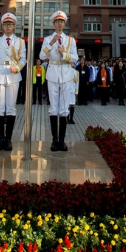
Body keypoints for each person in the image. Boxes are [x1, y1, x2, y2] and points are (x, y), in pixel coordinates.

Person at [40, 11, 78, 152]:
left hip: (67, 74)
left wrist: (64, 54)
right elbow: (42, 56)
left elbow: (75, 58)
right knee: (53, 108)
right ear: (53, 23)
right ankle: (54, 140)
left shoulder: (70, 40)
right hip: (53, 73)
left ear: (64, 23)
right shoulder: (48, 39)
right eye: (57, 21)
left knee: (64, 108)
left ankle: (62, 141)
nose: (59, 23)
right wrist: (51, 43)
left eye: (61, 21)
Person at [0, 13, 26, 152]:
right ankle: (0, 139)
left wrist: (17, 68)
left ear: (14, 26)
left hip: (13, 75)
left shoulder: (20, 42)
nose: (8, 26)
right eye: (5, 24)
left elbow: (23, 59)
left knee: (11, 108)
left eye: (10, 24)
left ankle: (8, 139)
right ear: (2, 26)